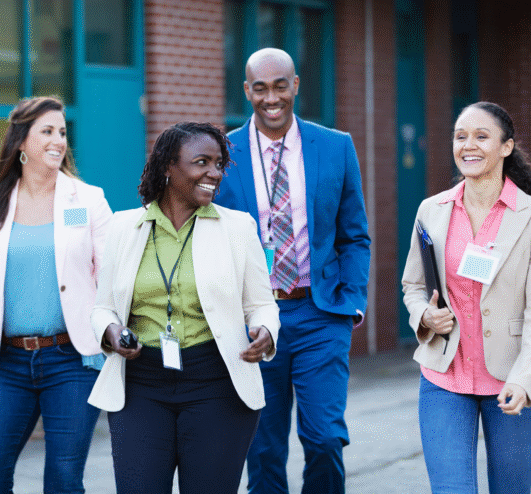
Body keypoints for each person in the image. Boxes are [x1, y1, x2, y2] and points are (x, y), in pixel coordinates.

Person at [88, 121, 280, 493]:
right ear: (168, 167)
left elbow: (261, 304)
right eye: (202, 162)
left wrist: (265, 331)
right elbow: (103, 309)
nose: (215, 173)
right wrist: (111, 332)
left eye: (219, 164)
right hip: (140, 385)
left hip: (216, 382)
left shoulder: (238, 228)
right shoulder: (123, 228)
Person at [212, 47, 370, 494]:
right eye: (260, 88)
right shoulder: (223, 152)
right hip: (253, 319)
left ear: (295, 85)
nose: (271, 98)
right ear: (247, 90)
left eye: (280, 86)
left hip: (320, 313)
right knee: (263, 447)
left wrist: (352, 302)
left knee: (324, 438)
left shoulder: (336, 146)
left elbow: (354, 236)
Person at [0, 96, 112, 493]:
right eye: (47, 131)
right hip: (6, 363)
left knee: (63, 477)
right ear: (21, 141)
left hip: (72, 360)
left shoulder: (87, 201)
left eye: (62, 132)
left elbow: (111, 275)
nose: (58, 140)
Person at [401, 101, 531, 493]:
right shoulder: (432, 210)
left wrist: (524, 380)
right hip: (444, 374)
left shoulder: (528, 216)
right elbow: (413, 286)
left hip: (511, 380)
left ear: (506, 147)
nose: (468, 145)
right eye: (460, 136)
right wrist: (425, 316)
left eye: (481, 136)